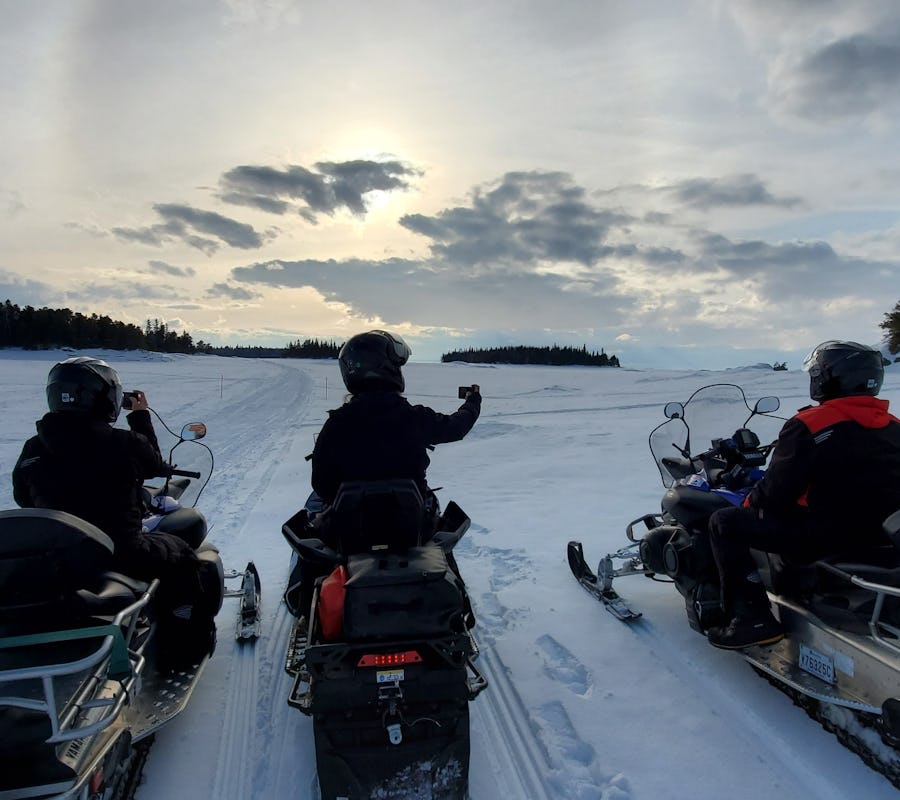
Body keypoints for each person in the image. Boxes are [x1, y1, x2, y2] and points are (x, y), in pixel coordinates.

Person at [12, 356, 219, 670]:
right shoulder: (122, 441)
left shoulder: (33, 448)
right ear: (104, 396)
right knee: (182, 557)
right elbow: (155, 465)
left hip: (61, 559)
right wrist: (140, 416)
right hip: (120, 550)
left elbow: (23, 497)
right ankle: (183, 652)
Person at [706, 340, 900, 650]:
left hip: (825, 535)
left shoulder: (810, 424)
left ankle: (751, 619)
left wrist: (749, 503)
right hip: (880, 535)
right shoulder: (893, 425)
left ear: (828, 378)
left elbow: (775, 493)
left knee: (723, 522)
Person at [285, 330, 481, 617]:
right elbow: (456, 427)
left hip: (350, 531)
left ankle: (303, 598)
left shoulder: (337, 424)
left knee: (312, 508)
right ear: (388, 368)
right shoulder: (413, 416)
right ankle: (451, 590)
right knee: (438, 527)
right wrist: (473, 403)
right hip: (409, 525)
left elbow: (323, 484)